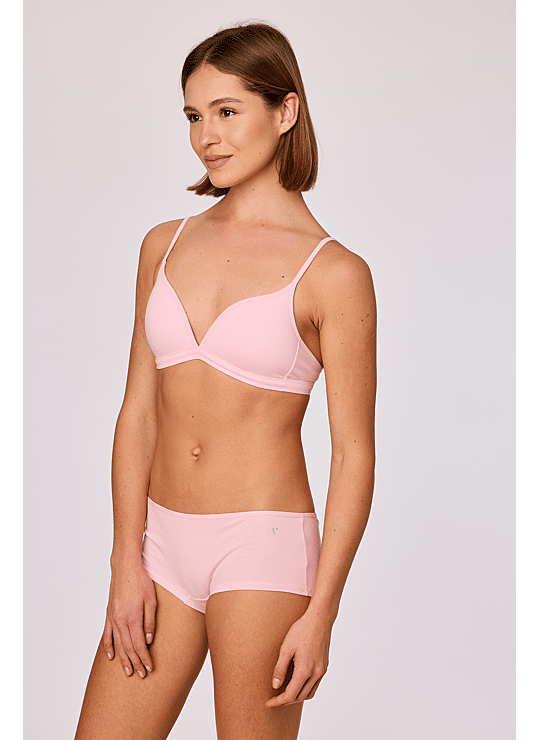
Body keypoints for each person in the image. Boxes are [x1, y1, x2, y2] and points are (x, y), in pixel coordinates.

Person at [74, 20, 377, 740]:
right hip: (160, 542)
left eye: (227, 111)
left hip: (263, 546)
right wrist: (125, 560)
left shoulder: (335, 274)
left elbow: (352, 453)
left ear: (286, 111)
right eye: (193, 115)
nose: (206, 136)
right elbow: (138, 413)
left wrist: (323, 610)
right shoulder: (165, 244)